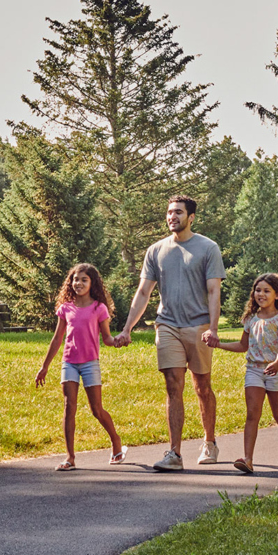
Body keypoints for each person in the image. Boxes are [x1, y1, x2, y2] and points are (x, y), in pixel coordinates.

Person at [113, 195, 226, 471]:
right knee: (173, 385)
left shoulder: (208, 248)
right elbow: (143, 292)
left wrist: (213, 327)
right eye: (169, 212)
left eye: (178, 212)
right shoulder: (155, 250)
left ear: (191, 217)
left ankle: (209, 442)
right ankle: (174, 453)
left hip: (198, 327)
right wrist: (127, 328)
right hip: (167, 325)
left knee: (202, 387)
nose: (171, 216)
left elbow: (214, 290)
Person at [203, 272, 278, 473]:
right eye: (258, 290)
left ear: (277, 295)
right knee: (252, 414)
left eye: (267, 291)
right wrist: (218, 345)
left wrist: (276, 363)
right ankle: (247, 459)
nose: (261, 294)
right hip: (254, 371)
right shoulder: (250, 319)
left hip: (276, 371)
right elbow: (243, 345)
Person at [35, 263, 128, 471]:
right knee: (69, 407)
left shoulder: (99, 308)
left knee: (96, 409)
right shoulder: (65, 308)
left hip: (90, 364)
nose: (78, 283)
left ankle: (116, 441)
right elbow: (57, 338)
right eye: (75, 279)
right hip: (69, 363)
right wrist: (44, 367)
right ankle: (70, 457)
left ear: (92, 283)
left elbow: (107, 339)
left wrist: (119, 340)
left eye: (84, 280)